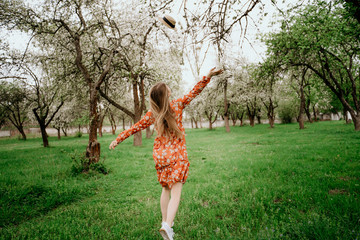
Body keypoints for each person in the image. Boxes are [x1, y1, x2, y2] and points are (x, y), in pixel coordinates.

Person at [109, 67, 224, 240]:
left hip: (160, 155)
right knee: (176, 192)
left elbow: (135, 127)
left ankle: (165, 222)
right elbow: (195, 91)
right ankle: (168, 226)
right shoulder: (177, 105)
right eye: (167, 88)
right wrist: (208, 76)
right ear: (166, 94)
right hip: (176, 154)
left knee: (165, 189)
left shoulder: (152, 114)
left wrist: (118, 139)